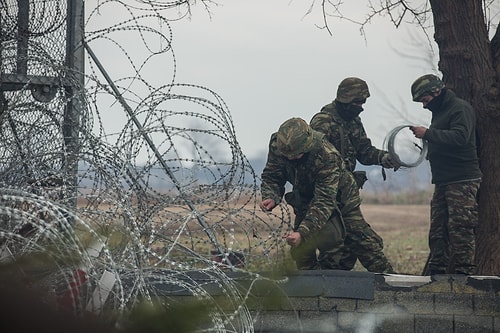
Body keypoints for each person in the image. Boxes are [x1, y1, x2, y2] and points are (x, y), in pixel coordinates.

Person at [260, 117, 394, 273]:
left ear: (307, 146)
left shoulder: (327, 155)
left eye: (296, 155)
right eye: (287, 156)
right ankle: (313, 289)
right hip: (305, 198)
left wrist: (303, 232)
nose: (290, 158)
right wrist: (271, 195)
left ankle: (392, 284)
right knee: (302, 252)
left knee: (365, 245)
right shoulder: (278, 145)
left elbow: (324, 201)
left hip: (341, 199)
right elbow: (272, 175)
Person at [309, 77, 398, 272]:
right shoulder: (323, 122)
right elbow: (314, 160)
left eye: (363, 103)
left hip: (346, 193)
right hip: (327, 193)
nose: (361, 107)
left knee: (347, 249)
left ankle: (336, 283)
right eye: (357, 102)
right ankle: (387, 278)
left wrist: (384, 158)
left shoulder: (354, 121)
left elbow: (364, 151)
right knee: (352, 241)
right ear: (345, 99)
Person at [409, 74, 482, 275]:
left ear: (436, 92)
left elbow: (461, 137)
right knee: (438, 231)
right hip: (443, 180)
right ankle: (436, 273)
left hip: (462, 179)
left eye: (425, 100)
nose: (424, 106)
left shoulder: (460, 108)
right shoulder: (441, 111)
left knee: (461, 228)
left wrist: (428, 134)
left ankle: (463, 275)